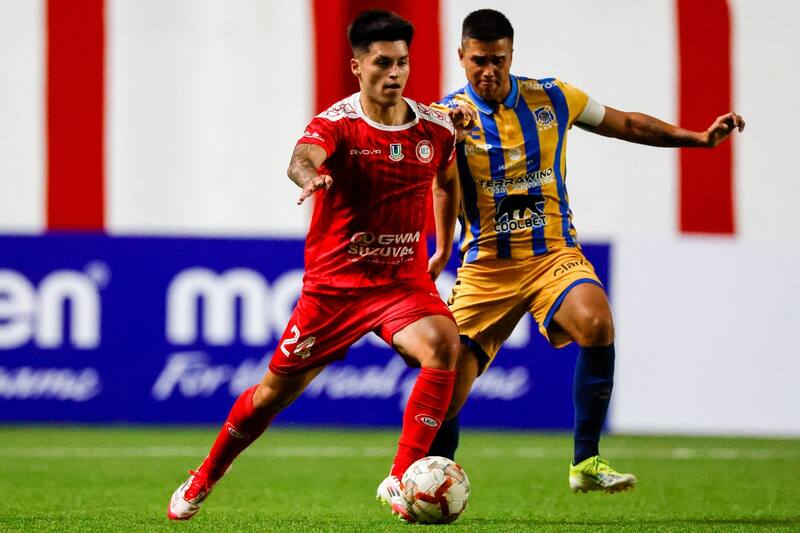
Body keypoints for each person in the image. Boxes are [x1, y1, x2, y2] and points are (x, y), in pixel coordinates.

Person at [167, 10, 470, 522]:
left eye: (402, 63)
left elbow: (445, 179)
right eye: (382, 63)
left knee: (445, 345)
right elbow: (301, 156)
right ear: (357, 66)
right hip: (335, 290)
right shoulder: (339, 124)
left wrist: (445, 239)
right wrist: (308, 176)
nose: (394, 73)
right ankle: (205, 475)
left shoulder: (437, 128)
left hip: (401, 281)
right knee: (270, 396)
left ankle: (401, 478)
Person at [426, 8, 745, 494]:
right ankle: (426, 482)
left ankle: (586, 461)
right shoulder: (446, 118)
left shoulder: (553, 97)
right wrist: (443, 245)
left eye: (498, 60)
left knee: (597, 323)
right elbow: (441, 186)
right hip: (487, 268)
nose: (488, 71)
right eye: (477, 62)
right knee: (445, 394)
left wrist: (698, 140)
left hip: (553, 254)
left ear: (512, 54)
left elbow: (628, 124)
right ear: (461, 57)